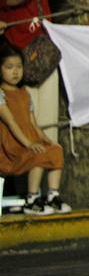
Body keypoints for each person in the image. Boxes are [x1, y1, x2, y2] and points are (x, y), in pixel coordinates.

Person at [0, 0, 74, 144]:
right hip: (20, 65)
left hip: (46, 57)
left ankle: (48, 165)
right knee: (27, 124)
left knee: (48, 123)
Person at [0, 45, 70, 215]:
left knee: (55, 151)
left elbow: (33, 124)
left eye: (19, 67)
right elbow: (12, 124)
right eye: (9, 67)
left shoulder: (24, 93)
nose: (15, 72)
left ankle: (53, 196)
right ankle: (32, 200)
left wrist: (46, 140)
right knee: (37, 155)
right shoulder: (1, 94)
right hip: (11, 147)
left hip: (29, 141)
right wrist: (29, 144)